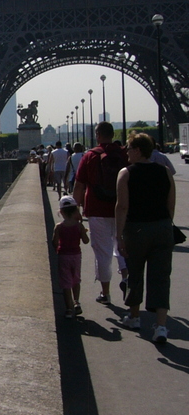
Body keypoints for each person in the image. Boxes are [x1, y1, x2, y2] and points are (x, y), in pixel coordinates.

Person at [115, 133, 175, 343]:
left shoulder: (126, 174)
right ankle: (160, 326)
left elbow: (122, 207)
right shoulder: (165, 172)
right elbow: (170, 205)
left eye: (129, 148)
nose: (126, 151)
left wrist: (119, 235)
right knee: (161, 277)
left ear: (138, 150)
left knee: (135, 273)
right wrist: (164, 226)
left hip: (136, 230)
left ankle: (134, 316)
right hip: (162, 228)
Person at [73, 121, 128, 304]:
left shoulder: (90, 156)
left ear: (97, 135)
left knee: (102, 252)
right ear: (112, 134)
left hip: (97, 209)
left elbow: (79, 186)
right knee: (121, 247)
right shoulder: (124, 154)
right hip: (122, 208)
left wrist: (76, 210)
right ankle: (126, 277)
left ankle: (105, 293)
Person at [52, 196, 90, 318]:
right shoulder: (78, 226)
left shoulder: (59, 227)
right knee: (76, 279)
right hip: (76, 256)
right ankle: (76, 302)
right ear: (75, 211)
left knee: (65, 283)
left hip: (63, 255)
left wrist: (57, 249)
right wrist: (84, 230)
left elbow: (55, 242)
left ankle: (68, 309)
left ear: (61, 212)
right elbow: (85, 241)